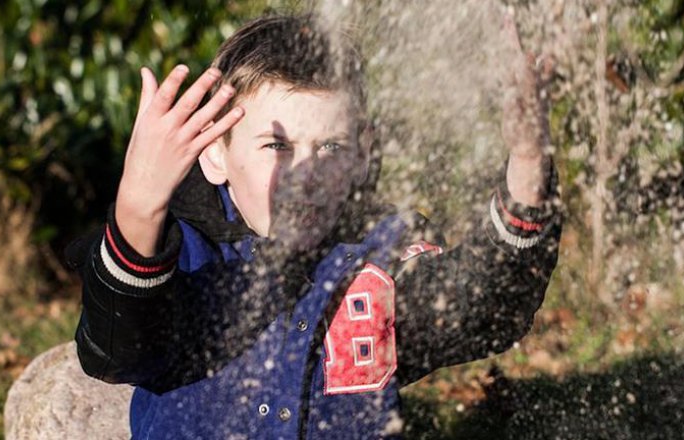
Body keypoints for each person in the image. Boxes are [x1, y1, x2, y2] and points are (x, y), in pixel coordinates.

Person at [67, 12, 561, 440]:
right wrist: (139, 206)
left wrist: (528, 160)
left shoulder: (381, 255)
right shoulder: (182, 255)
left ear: (362, 153)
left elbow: (487, 309)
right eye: (276, 146)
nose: (305, 175)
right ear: (215, 154)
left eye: (330, 147)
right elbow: (113, 350)